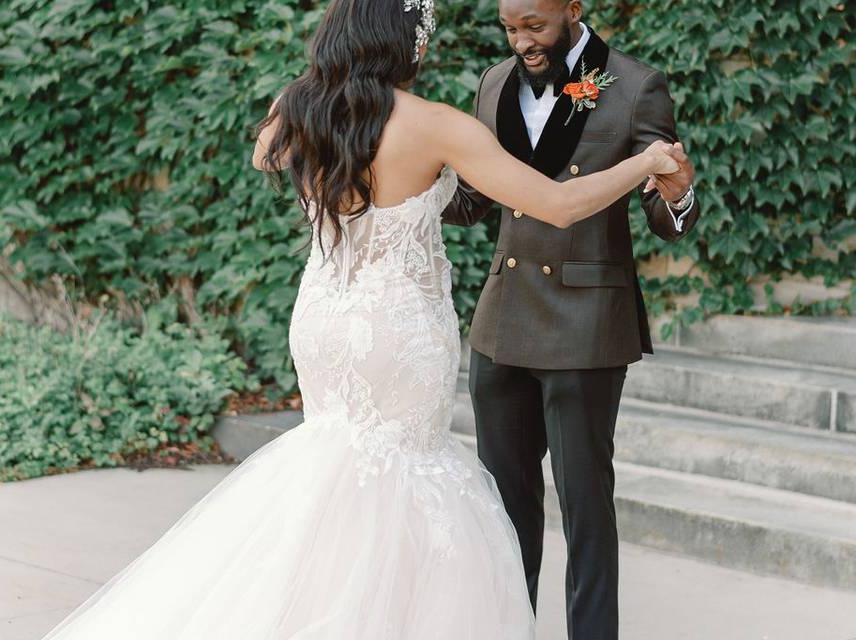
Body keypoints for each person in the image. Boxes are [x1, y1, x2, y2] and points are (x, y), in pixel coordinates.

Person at [40, 1, 678, 637]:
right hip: (397, 329)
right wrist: (646, 164)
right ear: (403, 44)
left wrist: (323, 95)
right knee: (398, 472)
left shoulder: (300, 108)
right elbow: (559, 206)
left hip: (325, 318)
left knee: (333, 466)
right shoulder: (436, 124)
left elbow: (267, 156)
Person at [442, 1, 700, 639]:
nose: (521, 41)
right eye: (510, 27)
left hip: (586, 324)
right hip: (503, 322)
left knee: (585, 510)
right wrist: (400, 175)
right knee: (504, 513)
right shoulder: (495, 81)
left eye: (535, 25)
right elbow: (473, 199)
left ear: (573, 10)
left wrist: (677, 194)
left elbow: (673, 218)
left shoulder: (635, 85)